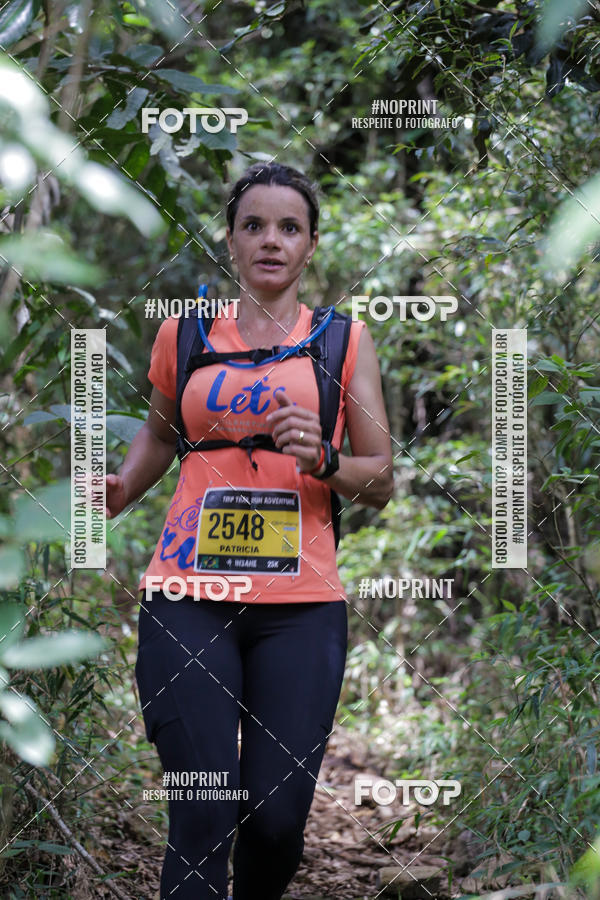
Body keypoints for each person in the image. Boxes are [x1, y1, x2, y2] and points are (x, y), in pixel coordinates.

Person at [105, 163, 393, 900]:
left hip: (301, 609)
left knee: (275, 821)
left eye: (289, 228)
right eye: (254, 225)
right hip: (187, 597)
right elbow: (160, 435)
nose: (271, 240)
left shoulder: (344, 341)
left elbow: (381, 480)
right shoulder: (185, 333)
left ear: (310, 245)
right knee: (202, 809)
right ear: (230, 240)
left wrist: (325, 458)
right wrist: (121, 486)